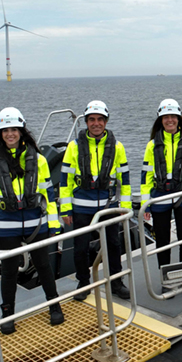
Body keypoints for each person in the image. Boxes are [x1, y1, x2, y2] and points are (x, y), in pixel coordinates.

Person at [0, 107, 64, 334]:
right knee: (9, 271)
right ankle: (8, 314)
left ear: (22, 131)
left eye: (14, 129)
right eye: (6, 130)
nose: (10, 134)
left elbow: (48, 196)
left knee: (44, 265)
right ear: (0, 134)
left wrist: (53, 224)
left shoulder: (40, 160)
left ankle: (54, 305)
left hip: (36, 223)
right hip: (6, 226)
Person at [59, 100, 131, 300]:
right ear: (86, 122)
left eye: (100, 119)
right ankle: (83, 283)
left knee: (113, 245)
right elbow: (65, 181)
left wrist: (124, 208)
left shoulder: (118, 147)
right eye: (92, 120)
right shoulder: (73, 147)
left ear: (106, 122)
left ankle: (116, 282)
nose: (96, 123)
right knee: (80, 247)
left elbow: (124, 181)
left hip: (109, 206)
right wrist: (65, 210)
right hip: (81, 206)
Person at [140, 99, 182, 277]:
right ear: (160, 120)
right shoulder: (152, 145)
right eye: (165, 117)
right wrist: (145, 203)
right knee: (162, 241)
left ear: (179, 118)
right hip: (160, 198)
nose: (170, 120)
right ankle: (166, 277)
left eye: (173, 116)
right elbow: (146, 176)